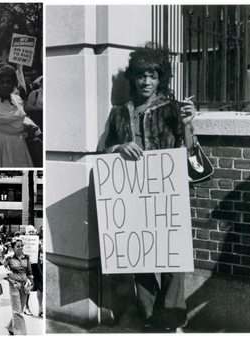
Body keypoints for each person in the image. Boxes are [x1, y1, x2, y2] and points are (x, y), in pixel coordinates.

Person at [103, 42, 195, 333]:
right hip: (131, 195)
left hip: (166, 195)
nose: (146, 81)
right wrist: (119, 147)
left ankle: (170, 318)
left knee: (172, 260)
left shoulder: (173, 109)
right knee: (140, 258)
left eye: (153, 75)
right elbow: (104, 151)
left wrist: (188, 125)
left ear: (160, 79)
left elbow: (189, 152)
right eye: (142, 75)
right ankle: (149, 316)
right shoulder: (120, 112)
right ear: (134, 78)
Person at [0, 64, 36, 167]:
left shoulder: (18, 99)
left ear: (14, 84)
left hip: (19, 145)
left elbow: (15, 121)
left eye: (9, 82)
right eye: (1, 83)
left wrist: (24, 127)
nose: (5, 85)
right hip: (0, 147)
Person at [4, 237, 34, 335]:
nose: (20, 248)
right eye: (18, 246)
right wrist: (11, 282)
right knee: (17, 311)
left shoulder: (27, 257)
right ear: (13, 248)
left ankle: (10, 327)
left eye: (22, 246)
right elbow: (3, 272)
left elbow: (29, 271)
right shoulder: (8, 258)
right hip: (14, 284)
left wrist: (31, 283)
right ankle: (21, 334)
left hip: (25, 284)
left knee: (19, 309)